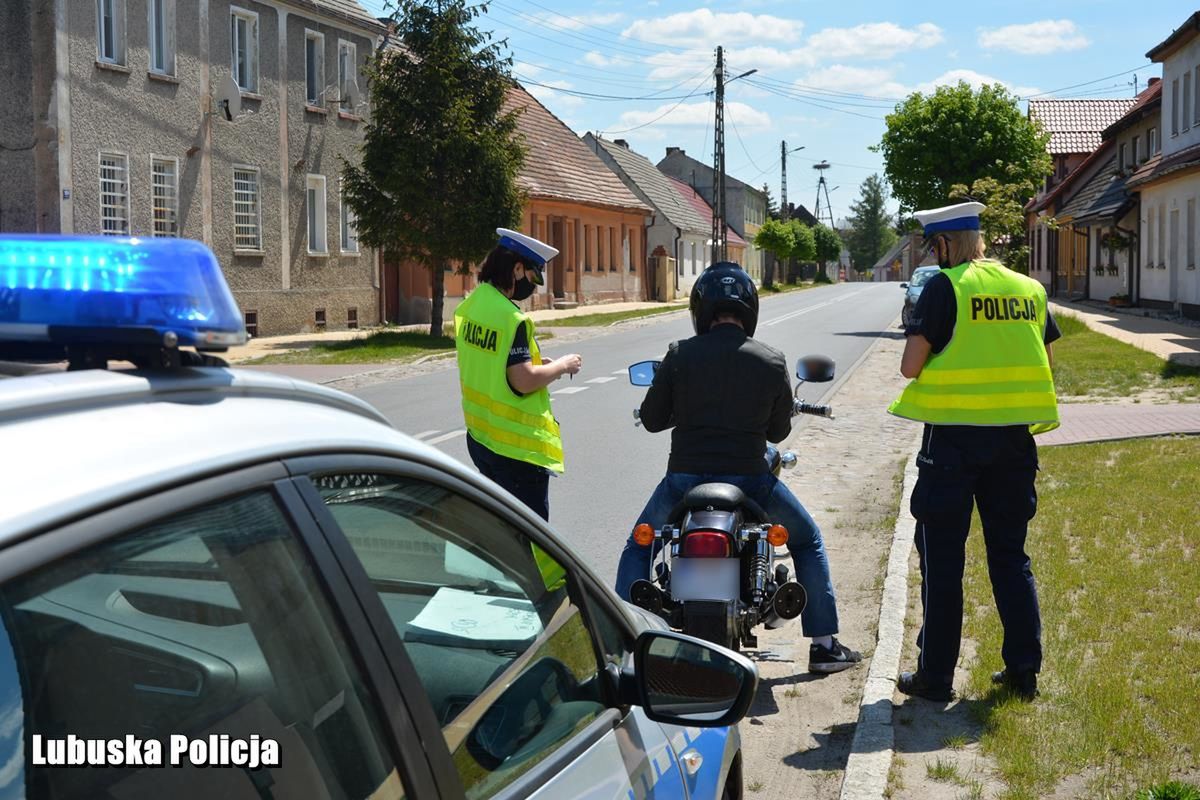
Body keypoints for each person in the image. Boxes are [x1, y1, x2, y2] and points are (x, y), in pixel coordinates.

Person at [613, 262, 862, 674]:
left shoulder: (680, 355)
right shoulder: (770, 359)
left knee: (641, 544)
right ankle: (823, 645)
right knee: (807, 541)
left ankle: (622, 646)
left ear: (701, 310)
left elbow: (654, 420)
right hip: (752, 481)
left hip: (684, 482)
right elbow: (779, 432)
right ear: (749, 310)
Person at [889, 202, 1060, 702]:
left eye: (932, 247)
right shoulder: (1029, 288)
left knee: (943, 559)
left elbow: (909, 366)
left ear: (943, 244)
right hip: (1013, 442)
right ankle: (1024, 670)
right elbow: (1045, 361)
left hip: (954, 443)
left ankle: (935, 677)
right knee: (1010, 556)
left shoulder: (947, 286)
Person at [454, 228, 582, 521]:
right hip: (516, 451)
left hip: (481, 437)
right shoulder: (512, 318)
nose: (534, 286)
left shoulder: (472, 306)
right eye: (534, 276)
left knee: (500, 530)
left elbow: (493, 362)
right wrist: (563, 365)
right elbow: (522, 381)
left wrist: (539, 365)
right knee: (531, 538)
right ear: (517, 269)